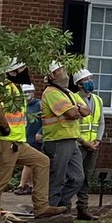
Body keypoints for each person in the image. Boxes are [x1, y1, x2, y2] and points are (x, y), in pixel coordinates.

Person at [0, 60, 65, 223]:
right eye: (21, 68)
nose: (25, 71)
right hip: (4, 142)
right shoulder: (4, 86)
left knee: (42, 161)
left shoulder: (16, 88)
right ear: (13, 71)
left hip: (17, 143)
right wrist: (5, 127)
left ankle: (41, 207)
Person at [40, 61, 90, 208]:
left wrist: (78, 109)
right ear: (52, 75)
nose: (65, 72)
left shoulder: (68, 93)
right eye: (60, 69)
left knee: (78, 178)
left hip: (71, 140)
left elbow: (87, 111)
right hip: (56, 140)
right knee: (57, 178)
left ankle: (61, 204)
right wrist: (77, 109)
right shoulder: (51, 93)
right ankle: (51, 208)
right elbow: (72, 113)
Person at [72, 68, 105, 221]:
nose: (91, 82)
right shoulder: (73, 99)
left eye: (91, 78)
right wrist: (83, 141)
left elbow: (101, 122)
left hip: (93, 145)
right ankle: (65, 207)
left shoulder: (97, 100)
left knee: (87, 177)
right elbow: (72, 125)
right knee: (74, 177)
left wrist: (97, 140)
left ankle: (82, 208)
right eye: (87, 80)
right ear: (79, 84)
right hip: (79, 145)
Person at [13, 83, 42, 195]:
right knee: (31, 163)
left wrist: (40, 132)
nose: (27, 94)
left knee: (29, 163)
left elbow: (45, 120)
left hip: (35, 138)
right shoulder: (21, 106)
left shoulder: (39, 105)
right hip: (24, 137)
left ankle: (22, 185)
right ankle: (30, 186)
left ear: (33, 92)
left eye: (29, 91)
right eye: (25, 92)